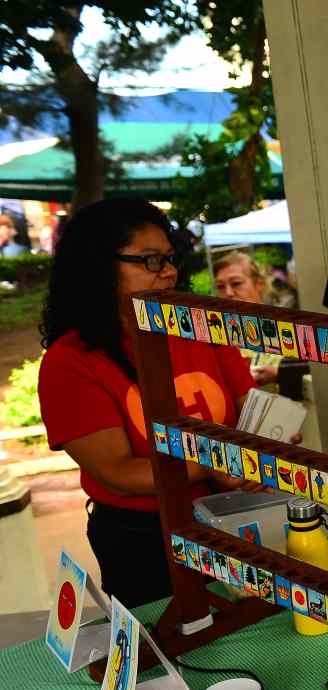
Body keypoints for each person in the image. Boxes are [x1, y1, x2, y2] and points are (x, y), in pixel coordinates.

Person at [37, 199, 259, 608]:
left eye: (170, 259)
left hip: (235, 515)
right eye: (151, 261)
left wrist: (267, 444)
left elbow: (252, 407)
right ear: (99, 267)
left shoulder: (199, 326)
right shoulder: (70, 363)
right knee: (174, 644)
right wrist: (217, 462)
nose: (170, 272)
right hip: (143, 539)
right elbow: (118, 471)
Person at [213, 251, 284, 384]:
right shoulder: (216, 336)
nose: (228, 293)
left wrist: (281, 375)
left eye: (236, 283)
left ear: (259, 284)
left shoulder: (285, 327)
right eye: (220, 287)